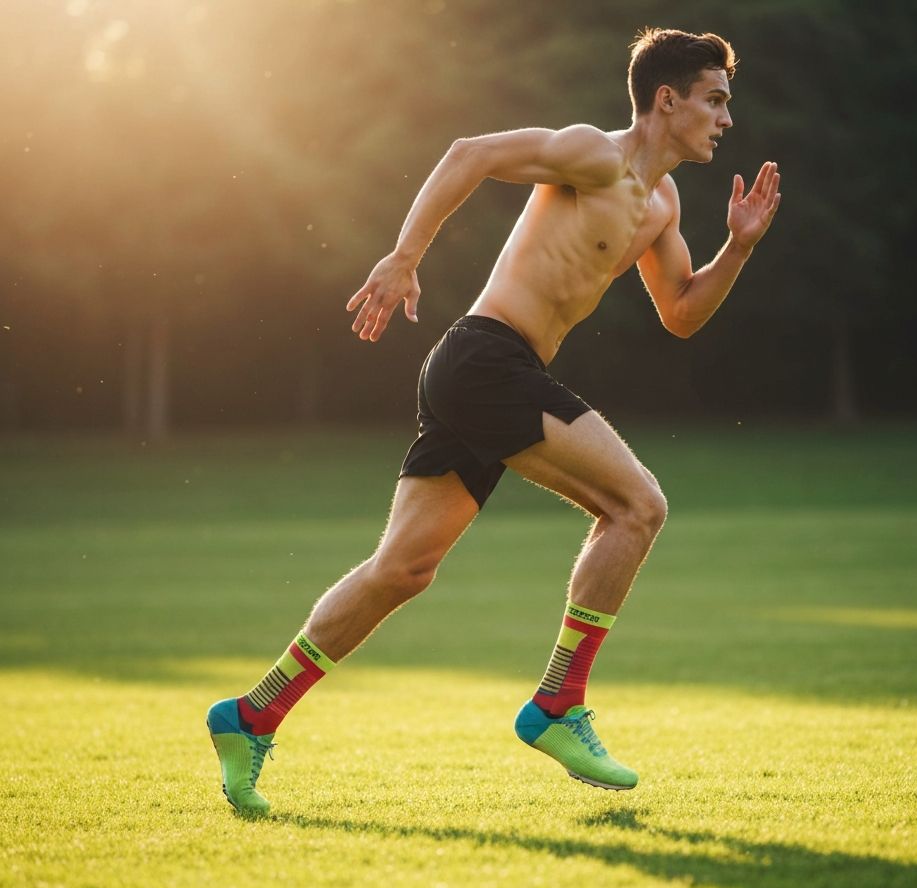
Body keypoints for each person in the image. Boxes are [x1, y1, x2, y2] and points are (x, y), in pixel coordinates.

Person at [207, 27, 781, 813]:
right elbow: (468, 153)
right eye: (715, 100)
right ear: (666, 99)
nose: (726, 118)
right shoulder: (594, 155)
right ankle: (556, 704)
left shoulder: (662, 202)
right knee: (638, 505)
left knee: (402, 572)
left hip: (489, 373)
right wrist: (404, 257)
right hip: (485, 359)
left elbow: (680, 313)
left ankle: (250, 714)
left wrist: (738, 251)